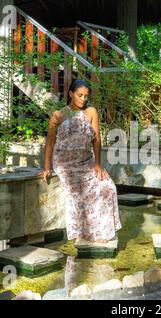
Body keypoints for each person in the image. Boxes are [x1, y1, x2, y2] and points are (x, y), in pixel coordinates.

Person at [38, 79, 122, 243]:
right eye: (80, 95)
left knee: (107, 186)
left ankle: (102, 231)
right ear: (70, 94)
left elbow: (96, 140)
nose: (83, 99)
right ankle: (85, 233)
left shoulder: (91, 112)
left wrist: (98, 164)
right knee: (80, 192)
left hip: (87, 161)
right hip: (65, 164)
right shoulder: (58, 115)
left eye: (86, 96)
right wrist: (47, 168)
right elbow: (49, 143)